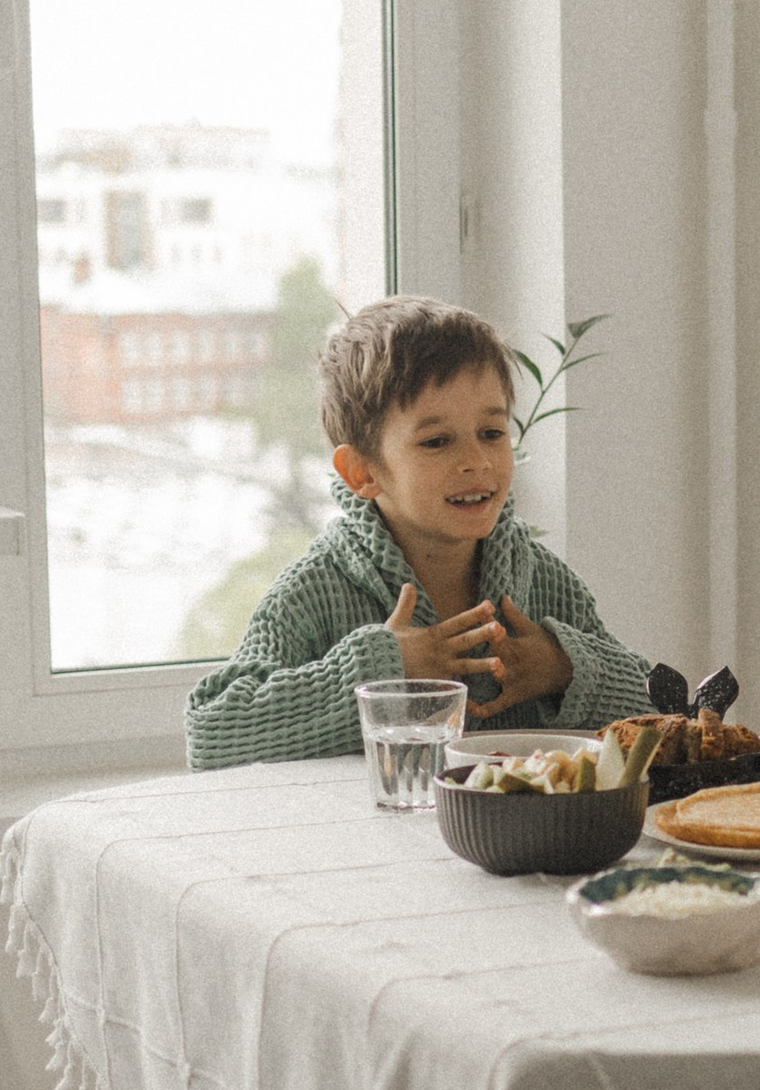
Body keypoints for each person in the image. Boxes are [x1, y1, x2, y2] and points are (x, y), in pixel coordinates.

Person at [185, 296, 654, 769]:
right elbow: (212, 734)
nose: (477, 461)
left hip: (524, 844)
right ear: (362, 471)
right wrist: (382, 672)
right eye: (436, 442)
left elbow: (663, 711)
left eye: (492, 432)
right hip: (368, 842)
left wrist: (565, 669)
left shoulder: (546, 583)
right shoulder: (314, 592)